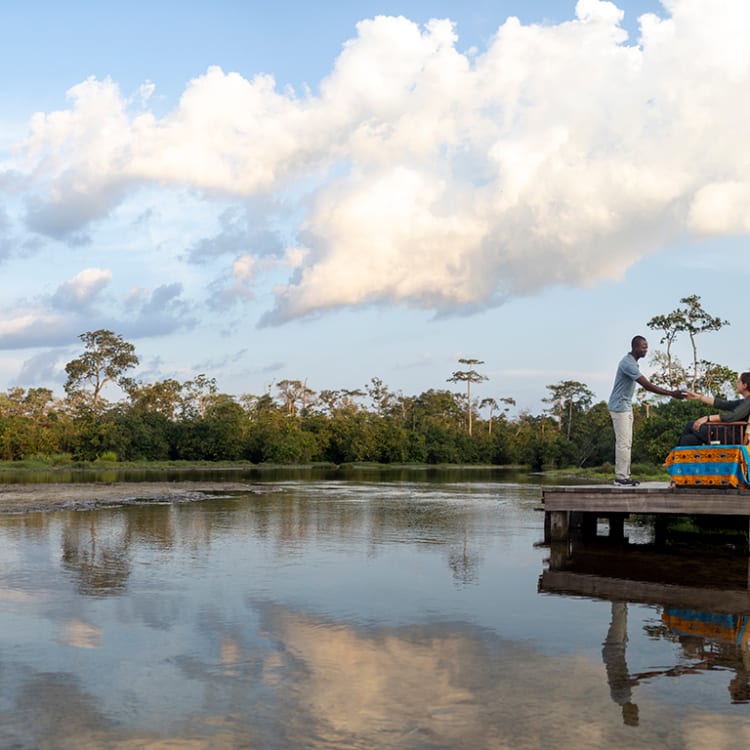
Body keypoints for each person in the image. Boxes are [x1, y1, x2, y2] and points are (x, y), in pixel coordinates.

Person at [608, 336, 685, 486]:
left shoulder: (632, 363)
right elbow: (647, 386)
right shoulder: (627, 363)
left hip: (625, 406)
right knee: (623, 443)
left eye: (646, 346)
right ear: (635, 347)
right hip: (619, 407)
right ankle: (620, 477)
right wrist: (671, 393)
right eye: (643, 347)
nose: (646, 350)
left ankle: (625, 476)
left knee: (627, 443)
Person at [678, 372, 750, 445]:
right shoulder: (743, 402)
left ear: (745, 385)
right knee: (687, 439)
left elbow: (732, 416)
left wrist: (708, 418)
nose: (736, 383)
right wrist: (698, 397)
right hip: (727, 435)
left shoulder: (749, 401)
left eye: (739, 381)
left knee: (691, 424)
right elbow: (722, 404)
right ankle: (677, 455)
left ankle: (676, 455)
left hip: (730, 437)